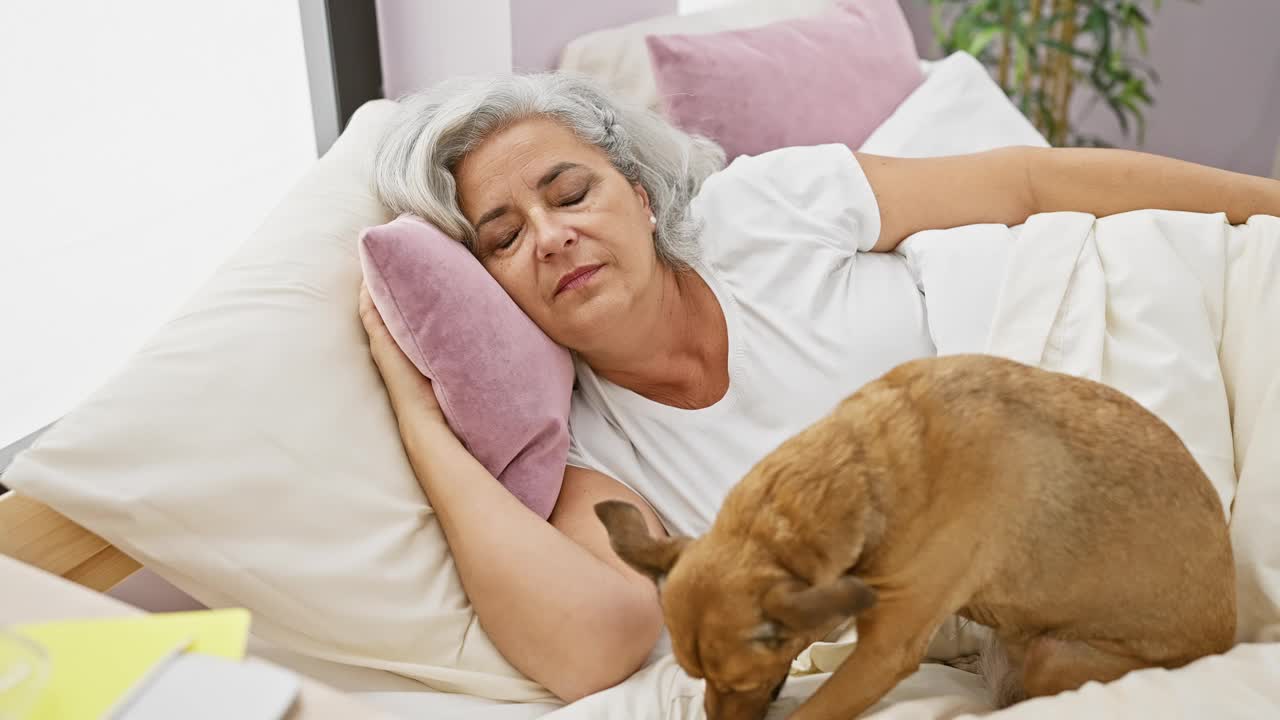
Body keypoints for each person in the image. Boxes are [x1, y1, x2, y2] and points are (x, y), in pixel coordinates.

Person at [359, 71, 1280, 702]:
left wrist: (1271, 200)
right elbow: (591, 648)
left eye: (569, 194)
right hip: (1049, 550)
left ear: (639, 195)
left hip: (1148, 325)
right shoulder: (591, 456)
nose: (549, 236)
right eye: (502, 237)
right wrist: (417, 415)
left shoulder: (761, 208)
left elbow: (1033, 183)